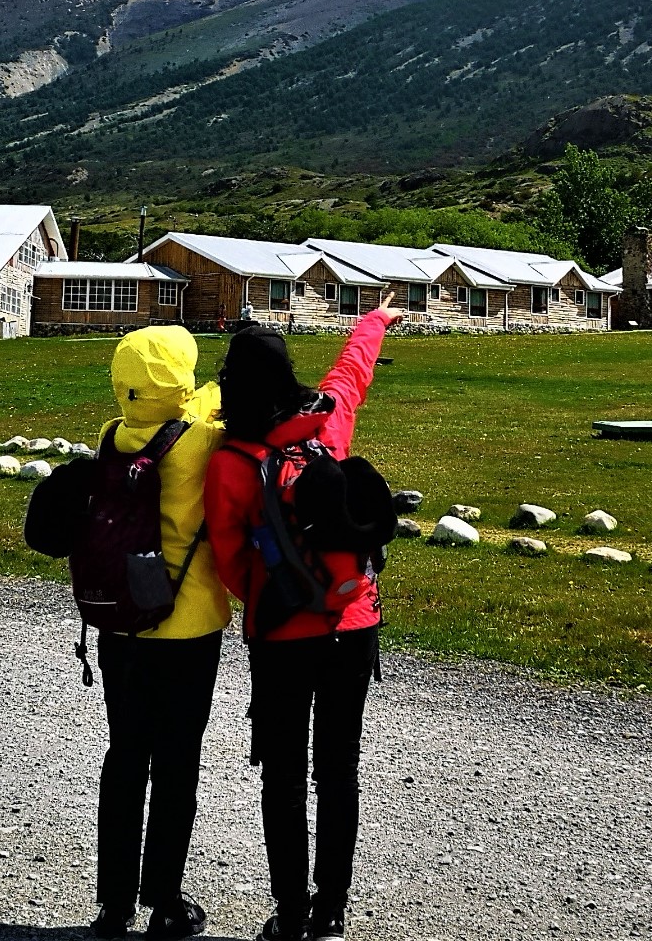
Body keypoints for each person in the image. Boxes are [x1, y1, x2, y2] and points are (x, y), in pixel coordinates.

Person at [205, 306, 402, 941]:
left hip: (282, 633)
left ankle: (290, 913)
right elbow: (351, 376)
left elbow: (230, 557)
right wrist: (373, 321)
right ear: (289, 375)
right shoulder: (327, 426)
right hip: (354, 621)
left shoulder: (231, 459)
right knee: (338, 766)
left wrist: (270, 597)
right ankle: (332, 913)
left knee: (285, 771)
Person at [89, 326, 230, 940]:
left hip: (120, 622)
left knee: (125, 757)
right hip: (187, 623)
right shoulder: (205, 442)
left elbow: (180, 408)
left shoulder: (112, 436)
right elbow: (203, 411)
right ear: (180, 382)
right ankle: (165, 899)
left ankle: (113, 903)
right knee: (177, 764)